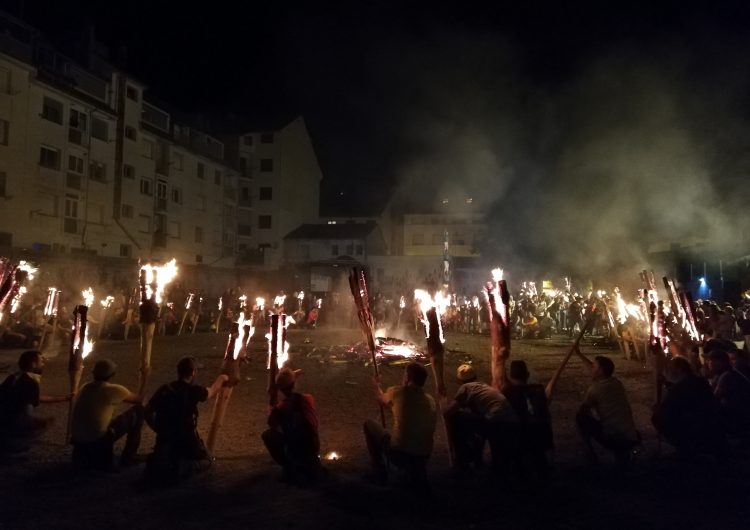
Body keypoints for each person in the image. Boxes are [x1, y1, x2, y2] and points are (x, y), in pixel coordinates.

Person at [143, 357, 228, 485]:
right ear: (193, 372)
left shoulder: (164, 389)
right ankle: (179, 468)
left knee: (168, 454)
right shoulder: (193, 390)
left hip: (165, 438)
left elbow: (147, 411)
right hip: (186, 439)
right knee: (207, 461)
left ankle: (167, 463)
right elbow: (212, 391)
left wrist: (157, 428)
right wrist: (222, 378)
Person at [363, 362, 436, 487]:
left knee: (369, 424)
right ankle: (413, 473)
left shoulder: (398, 392)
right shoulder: (430, 399)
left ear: (407, 377)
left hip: (400, 455)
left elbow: (381, 399)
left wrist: (376, 384)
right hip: (424, 457)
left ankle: (379, 470)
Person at [70, 359, 146, 471]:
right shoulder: (114, 389)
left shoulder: (85, 387)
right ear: (113, 375)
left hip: (77, 438)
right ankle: (129, 457)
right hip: (97, 438)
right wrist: (145, 377)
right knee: (139, 411)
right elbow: (139, 399)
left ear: (93, 373)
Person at [442, 364, 518, 474]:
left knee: (457, 417)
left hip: (495, 422)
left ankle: (463, 461)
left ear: (459, 380)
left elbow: (449, 412)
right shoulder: (483, 387)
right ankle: (479, 461)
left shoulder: (466, 387)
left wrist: (444, 405)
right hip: (512, 422)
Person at [575, 353, 638, 469]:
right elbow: (595, 369)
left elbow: (583, 411)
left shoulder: (595, 389)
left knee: (580, 418)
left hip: (615, 438)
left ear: (600, 371)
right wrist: (578, 353)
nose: (590, 369)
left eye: (594, 367)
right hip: (632, 437)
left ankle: (590, 454)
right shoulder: (617, 383)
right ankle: (623, 456)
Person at [652, 357, 725, 456]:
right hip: (708, 421)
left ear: (679, 370)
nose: (668, 371)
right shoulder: (700, 381)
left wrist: (658, 409)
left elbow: (669, 408)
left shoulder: (681, 387)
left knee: (657, 417)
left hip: (694, 425)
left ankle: (685, 446)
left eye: (670, 368)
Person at [0, 350, 71, 453]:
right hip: (10, 421)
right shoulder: (30, 382)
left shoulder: (13, 377)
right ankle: (13, 447)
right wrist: (41, 422)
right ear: (33, 364)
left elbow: (34, 398)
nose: (43, 363)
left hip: (3, 418)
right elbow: (26, 411)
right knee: (44, 424)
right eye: (41, 361)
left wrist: (63, 398)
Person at [261, 367, 320, 484]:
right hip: (313, 445)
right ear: (294, 384)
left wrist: (273, 409)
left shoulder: (281, 407)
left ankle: (289, 464)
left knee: (268, 435)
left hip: (297, 449)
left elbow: (271, 424)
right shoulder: (308, 398)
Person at [706, 348, 750, 442]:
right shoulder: (720, 375)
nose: (708, 363)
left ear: (720, 362)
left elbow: (714, 398)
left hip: (734, 419)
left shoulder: (726, 376)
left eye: (710, 360)